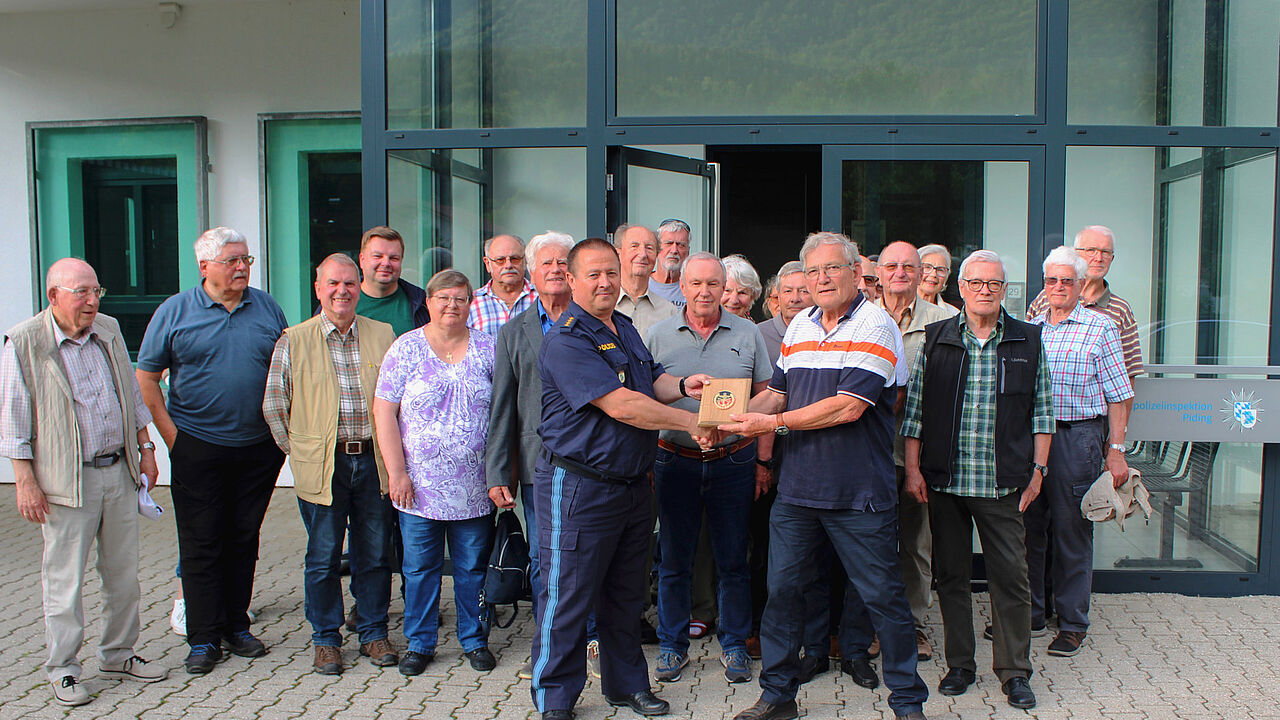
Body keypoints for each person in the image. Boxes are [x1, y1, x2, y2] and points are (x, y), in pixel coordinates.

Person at [720, 232, 927, 720]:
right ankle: (777, 695)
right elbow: (777, 393)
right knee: (782, 594)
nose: (822, 279)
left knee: (883, 598)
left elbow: (848, 407)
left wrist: (770, 424)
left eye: (832, 268)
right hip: (798, 492)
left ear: (856, 273)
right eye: (813, 271)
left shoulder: (876, 325)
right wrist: (723, 422)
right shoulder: (801, 325)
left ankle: (907, 701)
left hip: (859, 494)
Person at [529, 237, 715, 720]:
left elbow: (649, 382)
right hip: (579, 487)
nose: (605, 282)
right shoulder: (567, 340)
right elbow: (623, 405)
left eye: (611, 273)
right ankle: (554, 697)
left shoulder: (625, 327)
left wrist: (684, 386)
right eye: (593, 274)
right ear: (571, 280)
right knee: (567, 596)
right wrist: (692, 421)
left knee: (625, 595)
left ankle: (625, 685)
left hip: (632, 486)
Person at [2, 258, 168, 706]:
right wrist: (24, 480)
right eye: (82, 292)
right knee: (65, 582)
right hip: (65, 481)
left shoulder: (108, 330)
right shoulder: (25, 341)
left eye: (97, 291)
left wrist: (146, 448)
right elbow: (13, 419)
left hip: (118, 471)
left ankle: (118, 654)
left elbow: (130, 393)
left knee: (123, 575)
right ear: (54, 295)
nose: (92, 301)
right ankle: (63, 669)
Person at [902, 249, 1054, 711]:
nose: (985, 290)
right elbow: (915, 412)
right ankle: (960, 666)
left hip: (1002, 483)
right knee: (952, 577)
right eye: (976, 283)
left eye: (994, 283)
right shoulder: (937, 338)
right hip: (945, 481)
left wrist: (1039, 471)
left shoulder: (1028, 339)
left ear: (1004, 289)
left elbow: (1043, 412)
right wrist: (913, 469)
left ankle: (1014, 672)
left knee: (1011, 579)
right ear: (962, 288)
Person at [137, 227, 288, 675]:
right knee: (201, 542)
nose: (242, 268)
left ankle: (236, 625)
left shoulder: (266, 307)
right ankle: (203, 637)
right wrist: (173, 439)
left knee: (244, 538)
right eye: (232, 261)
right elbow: (147, 379)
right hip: (197, 446)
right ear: (205, 267)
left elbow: (285, 370)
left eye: (246, 260)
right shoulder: (175, 311)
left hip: (258, 448)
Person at [263, 254, 398, 675]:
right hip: (324, 465)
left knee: (374, 554)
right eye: (333, 284)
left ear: (359, 287)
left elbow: (400, 397)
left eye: (350, 284)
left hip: (374, 461)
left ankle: (373, 632)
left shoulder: (383, 334)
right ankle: (326, 639)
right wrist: (302, 453)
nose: (342, 291)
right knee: (323, 558)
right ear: (318, 288)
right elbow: (274, 405)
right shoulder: (294, 339)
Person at [646, 253, 773, 685]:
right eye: (696, 283)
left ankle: (734, 645)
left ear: (724, 288)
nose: (705, 292)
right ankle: (672, 646)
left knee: (733, 559)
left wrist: (755, 450)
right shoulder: (658, 334)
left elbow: (768, 395)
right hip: (673, 460)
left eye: (713, 284)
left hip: (732, 461)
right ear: (682, 286)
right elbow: (645, 397)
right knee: (674, 560)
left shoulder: (748, 333)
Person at [374, 269, 498, 677]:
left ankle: (474, 639)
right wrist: (396, 472)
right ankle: (420, 642)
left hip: (475, 487)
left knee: (471, 569)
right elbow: (384, 412)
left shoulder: (488, 348)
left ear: (470, 304)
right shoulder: (405, 348)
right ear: (428, 302)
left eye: (460, 298)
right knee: (419, 570)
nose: (451, 305)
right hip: (418, 488)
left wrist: (502, 474)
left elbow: (504, 414)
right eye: (443, 298)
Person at [1026, 246, 1133, 658]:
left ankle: (1072, 623)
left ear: (1080, 284)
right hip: (1033, 440)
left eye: (1066, 280)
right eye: (1051, 280)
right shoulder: (1033, 327)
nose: (1058, 287)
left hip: (1077, 438)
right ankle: (1033, 615)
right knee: (1029, 528)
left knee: (1072, 530)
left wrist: (1116, 450)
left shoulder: (1099, 327)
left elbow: (1120, 394)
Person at [484, 230, 575, 680]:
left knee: (587, 556)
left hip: (594, 464)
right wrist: (498, 471)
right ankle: (549, 643)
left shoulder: (596, 322)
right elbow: (503, 406)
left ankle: (589, 640)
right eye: (547, 263)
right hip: (539, 465)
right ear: (531, 275)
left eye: (563, 262)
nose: (555, 270)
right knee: (543, 558)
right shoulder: (513, 331)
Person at [876, 241, 951, 661]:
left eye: (909, 266)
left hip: (917, 455)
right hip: (867, 453)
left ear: (922, 274)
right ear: (879, 273)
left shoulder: (944, 322)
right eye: (891, 266)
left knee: (915, 544)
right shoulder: (862, 316)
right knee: (871, 543)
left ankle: (914, 625)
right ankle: (872, 625)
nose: (900, 273)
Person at [748, 260, 811, 659]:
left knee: (815, 553)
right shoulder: (759, 335)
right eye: (788, 291)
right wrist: (763, 461)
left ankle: (818, 632)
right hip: (769, 459)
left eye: (803, 290)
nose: (796, 297)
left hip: (812, 457)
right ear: (774, 299)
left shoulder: (829, 334)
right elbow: (763, 399)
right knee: (764, 548)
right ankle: (760, 629)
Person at [1026, 226, 1144, 383]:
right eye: (1091, 250)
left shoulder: (1121, 310)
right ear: (1076, 254)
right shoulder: (1046, 299)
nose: (1099, 258)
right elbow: (1025, 352)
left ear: (1112, 258)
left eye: (1105, 252)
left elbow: (1128, 373)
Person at [357, 226, 431, 336]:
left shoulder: (422, 304)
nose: (386, 263)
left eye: (394, 258)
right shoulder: (343, 303)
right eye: (378, 256)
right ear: (362, 260)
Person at [614, 224, 678, 338]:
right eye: (634, 246)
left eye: (649, 248)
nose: (643, 254)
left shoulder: (669, 312)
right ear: (618, 253)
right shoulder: (603, 306)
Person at [469, 234, 537, 335]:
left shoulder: (541, 298)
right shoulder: (472, 303)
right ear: (487, 264)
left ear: (525, 261)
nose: (508, 265)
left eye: (515, 259)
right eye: (500, 260)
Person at [648, 219, 692, 307]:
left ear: (688, 251)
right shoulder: (642, 285)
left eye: (681, 245)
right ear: (656, 248)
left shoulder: (693, 288)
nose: (674, 250)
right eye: (668, 243)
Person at [916, 244, 960, 317]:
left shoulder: (953, 315)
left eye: (940, 270)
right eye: (927, 267)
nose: (934, 274)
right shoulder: (899, 309)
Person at [721, 254, 763, 319]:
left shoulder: (753, 325)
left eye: (742, 293)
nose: (734, 300)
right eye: (727, 291)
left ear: (752, 296)